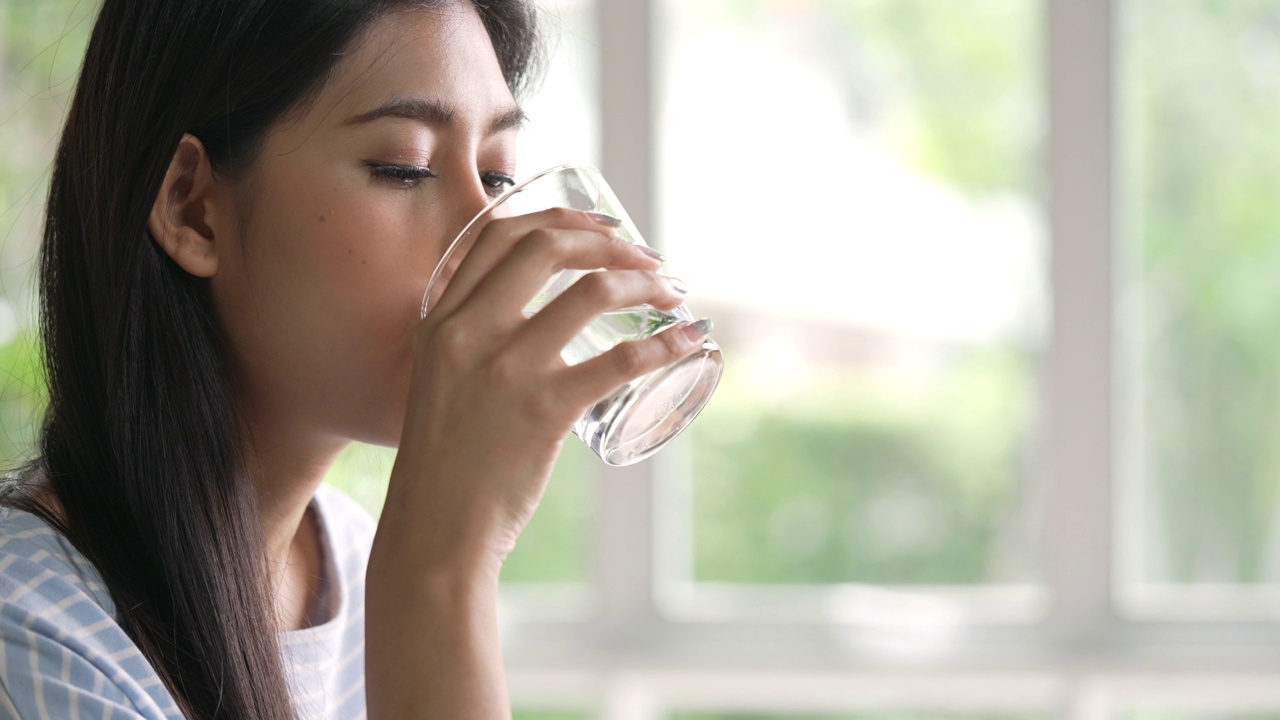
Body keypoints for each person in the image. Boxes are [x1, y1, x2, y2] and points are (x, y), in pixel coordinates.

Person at [0, 0, 706, 717]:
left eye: (496, 176)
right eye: (404, 168)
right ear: (192, 208)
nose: (484, 236)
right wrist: (440, 571)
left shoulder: (353, 557)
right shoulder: (28, 628)